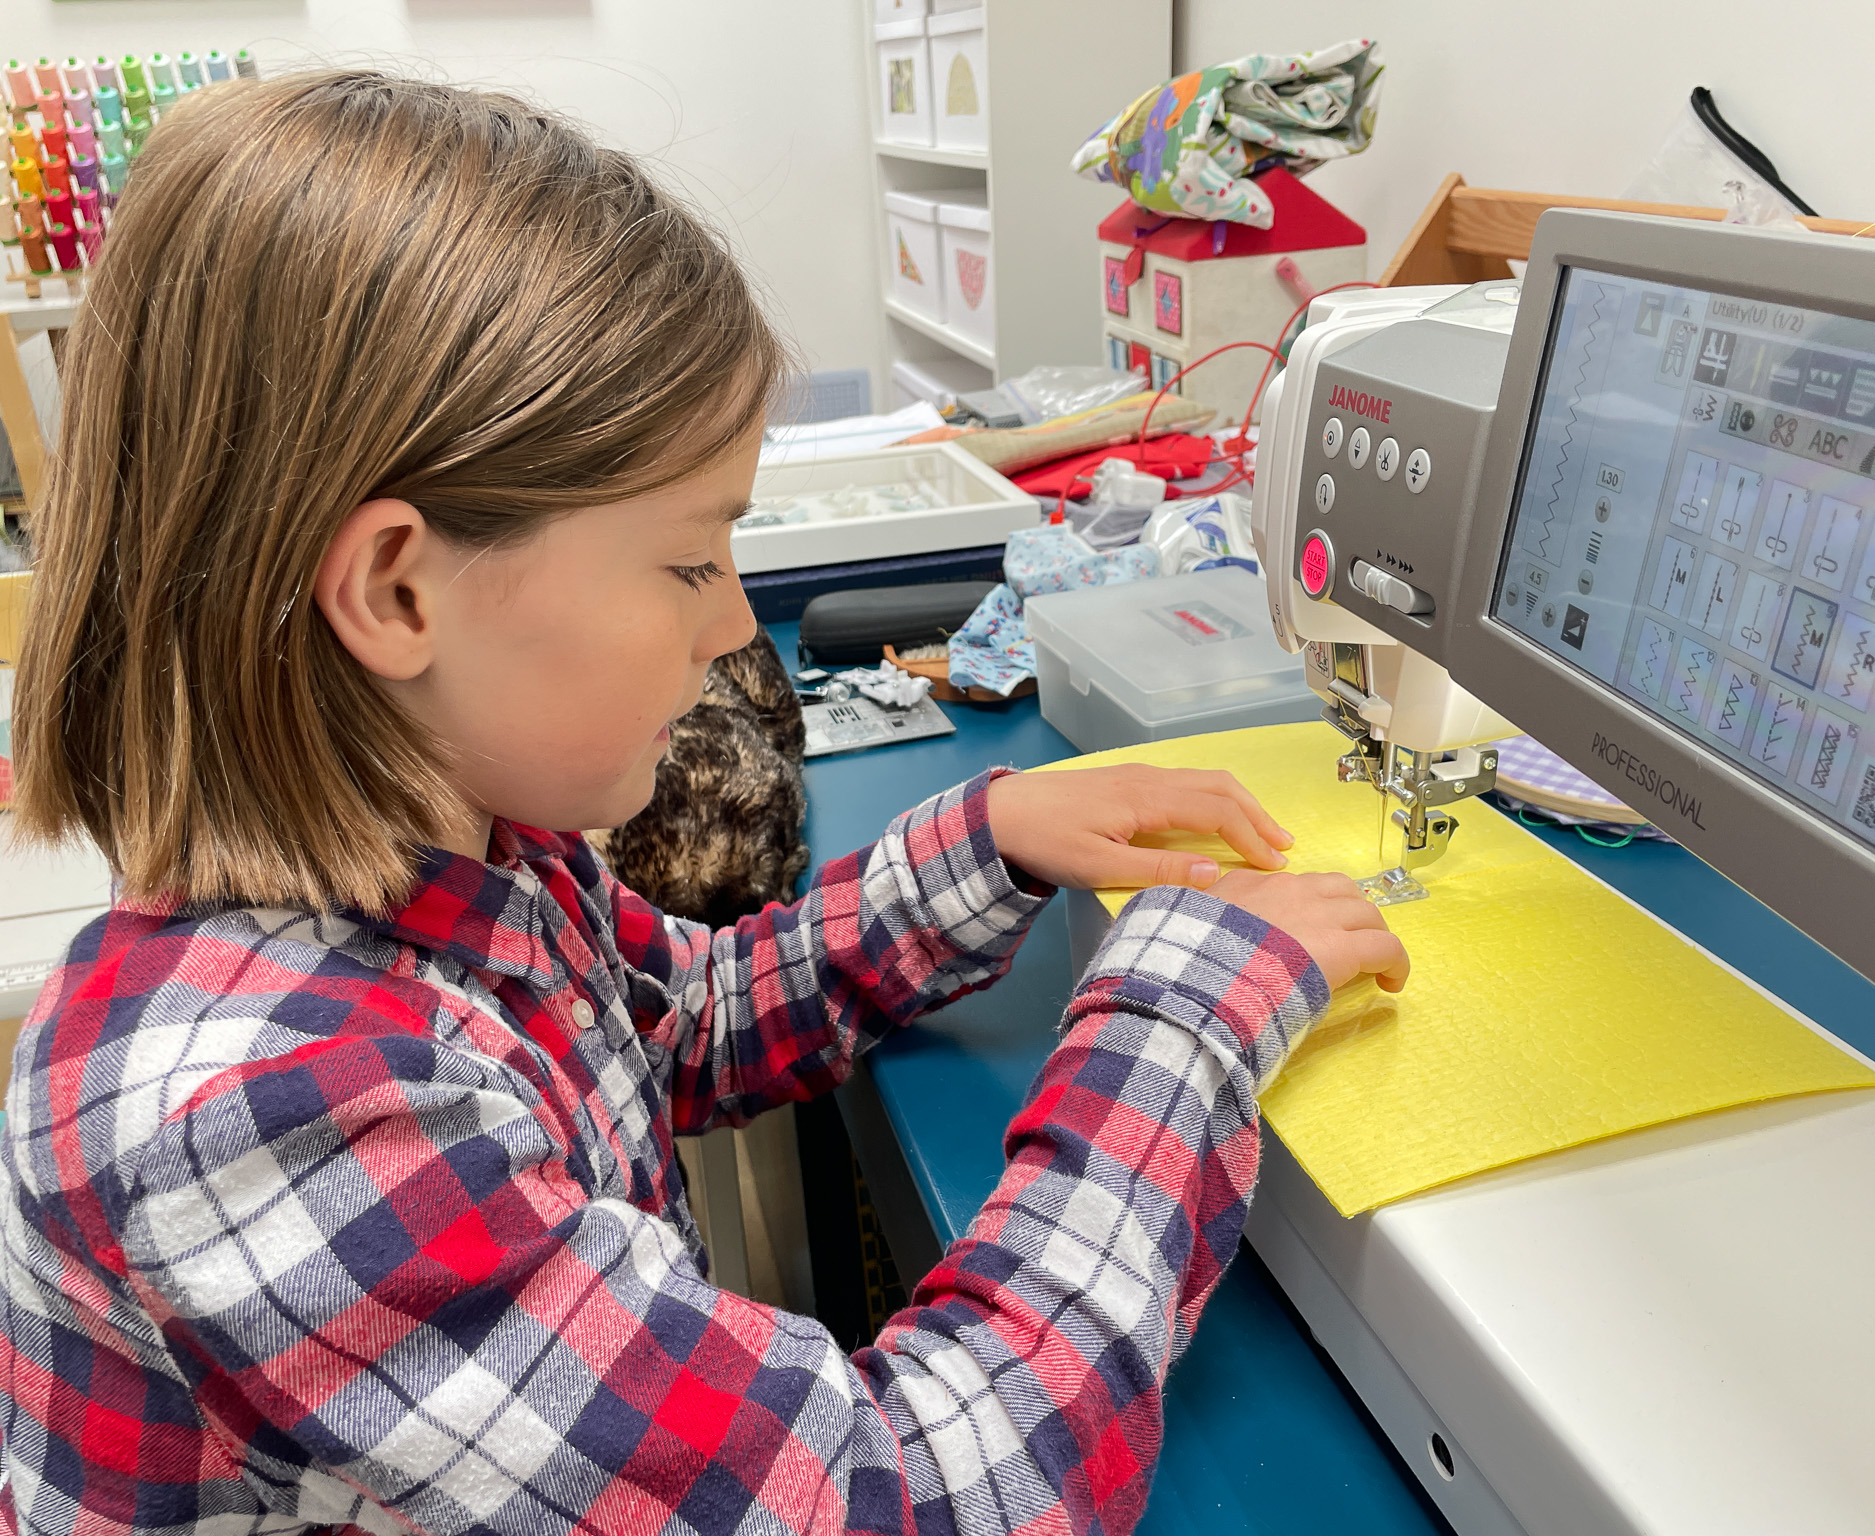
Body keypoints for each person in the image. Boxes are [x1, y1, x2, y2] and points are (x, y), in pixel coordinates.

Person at [1, 72, 1408, 1536]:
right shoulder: (260, 1122)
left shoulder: (474, 858)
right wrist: (1177, 1023)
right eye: (687, 561)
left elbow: (683, 1023)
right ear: (397, 590)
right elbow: (916, 1500)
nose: (734, 622)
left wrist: (980, 846)